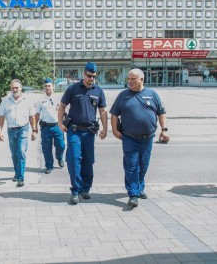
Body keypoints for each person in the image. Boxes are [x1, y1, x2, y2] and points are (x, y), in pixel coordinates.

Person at [109, 68, 169, 208]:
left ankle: (139, 187)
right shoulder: (123, 95)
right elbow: (113, 114)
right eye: (128, 79)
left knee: (143, 165)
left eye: (133, 79)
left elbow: (161, 112)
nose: (129, 81)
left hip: (147, 138)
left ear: (141, 80)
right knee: (131, 166)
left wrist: (164, 130)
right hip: (129, 138)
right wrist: (114, 130)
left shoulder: (152, 94)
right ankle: (133, 194)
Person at [58, 62, 108, 205]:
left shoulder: (98, 90)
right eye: (89, 75)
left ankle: (85, 189)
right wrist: (60, 123)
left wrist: (105, 128)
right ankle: (75, 190)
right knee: (74, 159)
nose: (91, 78)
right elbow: (62, 105)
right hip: (73, 131)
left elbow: (103, 111)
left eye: (93, 76)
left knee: (88, 160)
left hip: (89, 132)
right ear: (83, 74)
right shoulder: (73, 89)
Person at [0, 79, 37, 187]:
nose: (15, 90)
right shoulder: (6, 100)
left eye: (17, 88)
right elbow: (1, 116)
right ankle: (17, 172)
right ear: (11, 89)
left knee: (21, 152)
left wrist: (34, 130)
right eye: (13, 88)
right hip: (11, 130)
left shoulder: (27, 100)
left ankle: (20, 178)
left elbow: (32, 116)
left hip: (23, 129)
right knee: (14, 154)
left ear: (21, 88)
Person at [34, 78, 65, 174]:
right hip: (46, 127)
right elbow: (37, 114)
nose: (47, 88)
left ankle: (59, 157)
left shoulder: (59, 98)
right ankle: (49, 166)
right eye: (46, 86)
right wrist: (34, 128)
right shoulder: (40, 100)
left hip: (57, 126)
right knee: (46, 148)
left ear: (53, 87)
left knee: (61, 145)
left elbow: (63, 111)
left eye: (49, 86)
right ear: (44, 87)